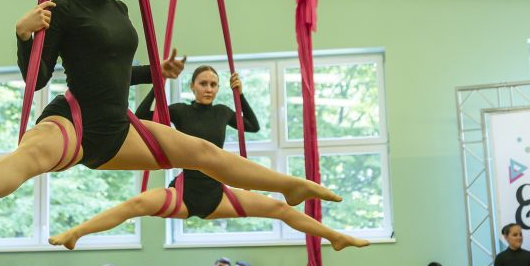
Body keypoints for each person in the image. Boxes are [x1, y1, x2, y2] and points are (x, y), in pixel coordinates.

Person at [0, 0, 341, 227]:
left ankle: (286, 186)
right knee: (31, 155)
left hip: (119, 128)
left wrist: (157, 72)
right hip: (74, 120)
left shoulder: (121, 11)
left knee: (203, 153)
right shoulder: (61, 9)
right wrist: (23, 34)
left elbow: (113, 72)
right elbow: (39, 77)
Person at [50, 65, 368, 250]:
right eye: (203, 83)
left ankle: (335, 237)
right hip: (183, 193)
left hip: (218, 195)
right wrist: (157, 85)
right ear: (192, 85)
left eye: (214, 84)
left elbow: (253, 126)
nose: (209, 88)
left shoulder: (223, 112)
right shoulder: (179, 111)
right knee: (135, 204)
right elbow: (143, 116)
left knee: (279, 208)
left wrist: (240, 94)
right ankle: (76, 233)